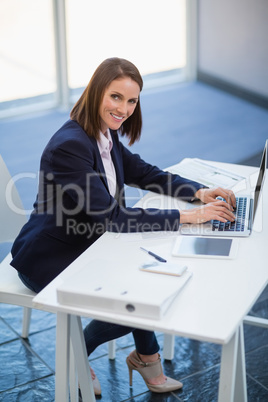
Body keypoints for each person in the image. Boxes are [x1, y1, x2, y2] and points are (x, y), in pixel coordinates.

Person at [11, 57, 236, 396]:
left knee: (149, 282)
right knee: (141, 299)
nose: (125, 108)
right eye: (116, 97)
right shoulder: (71, 145)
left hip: (90, 244)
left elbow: (144, 173)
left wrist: (199, 192)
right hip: (50, 256)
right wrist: (191, 217)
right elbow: (113, 218)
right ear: (96, 91)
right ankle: (78, 352)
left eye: (132, 100)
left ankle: (147, 356)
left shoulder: (104, 133)